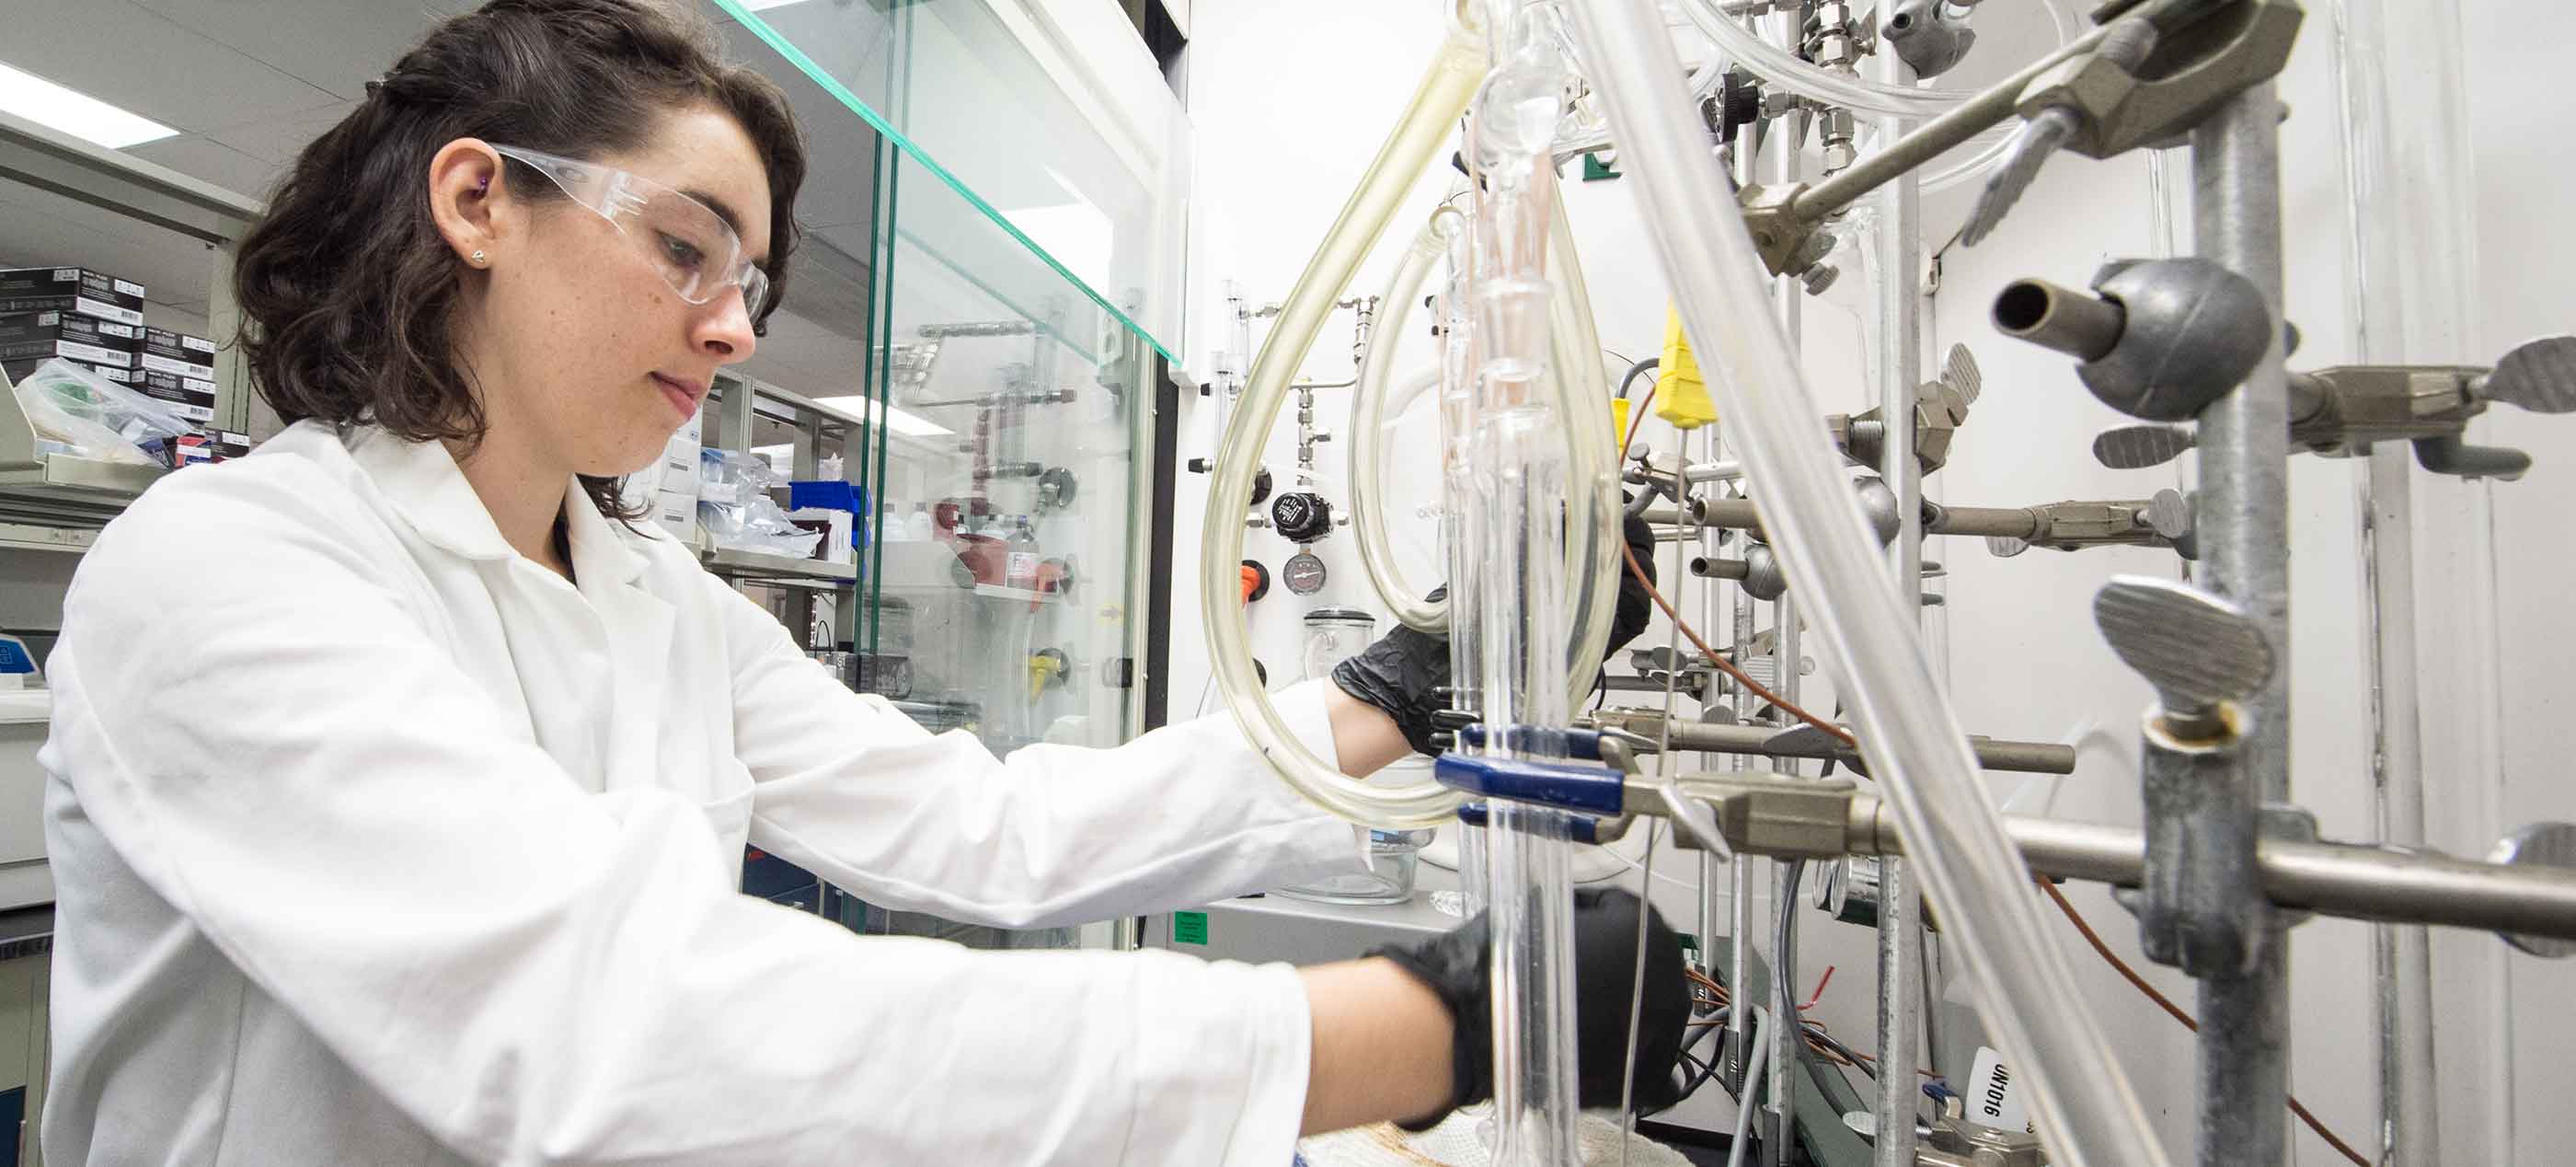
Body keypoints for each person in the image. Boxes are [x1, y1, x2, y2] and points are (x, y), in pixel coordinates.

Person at [35, 2, 1685, 1162]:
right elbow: (609, 1024)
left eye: (749, 281)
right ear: (479, 200)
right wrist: (1416, 1030)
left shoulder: (655, 603)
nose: (737, 326)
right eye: (684, 248)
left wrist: (1400, 688)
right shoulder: (228, 570)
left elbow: (997, 830)